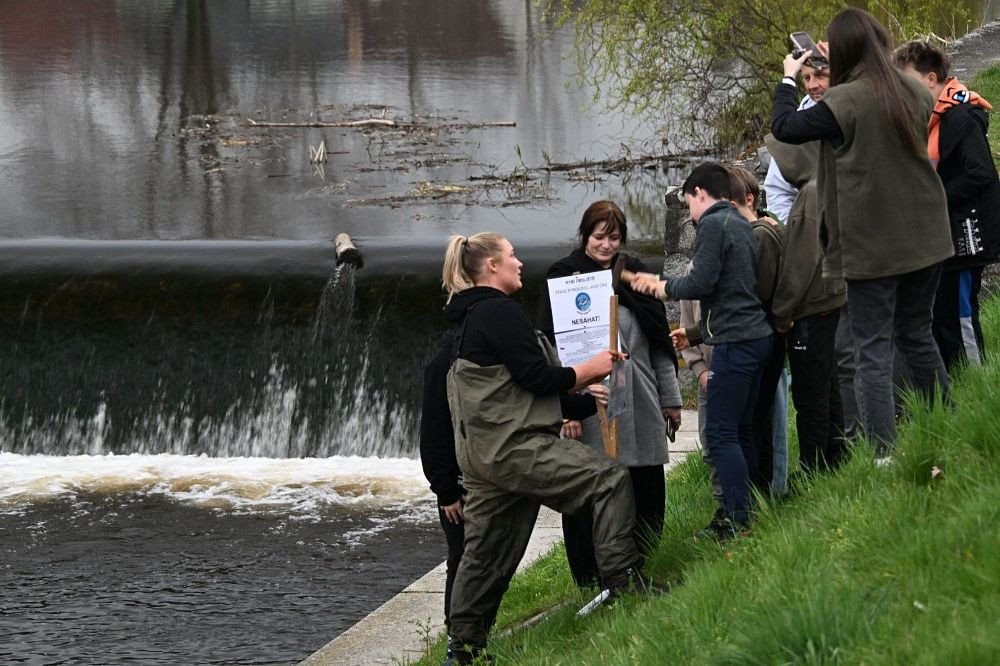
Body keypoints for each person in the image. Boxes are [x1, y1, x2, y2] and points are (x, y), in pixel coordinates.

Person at [440, 232, 654, 665]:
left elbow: (517, 391)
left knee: (486, 550)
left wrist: (584, 401)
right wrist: (590, 368)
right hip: (517, 449)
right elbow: (538, 378)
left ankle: (462, 649)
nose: (520, 263)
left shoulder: (466, 320)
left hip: (483, 458)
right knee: (609, 480)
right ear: (491, 267)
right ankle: (623, 583)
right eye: (512, 256)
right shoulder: (499, 311)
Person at [771, 8, 953, 455]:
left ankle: (884, 455)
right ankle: (946, 428)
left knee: (871, 349)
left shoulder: (843, 103)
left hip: (873, 247)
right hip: (926, 236)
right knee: (917, 335)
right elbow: (881, 87)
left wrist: (789, 78)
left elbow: (785, 128)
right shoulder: (912, 89)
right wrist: (855, 56)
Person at [536, 200, 683, 587]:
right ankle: (591, 578)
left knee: (646, 485)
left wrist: (670, 399)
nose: (606, 245)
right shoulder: (564, 277)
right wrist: (566, 410)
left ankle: (642, 564)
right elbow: (551, 352)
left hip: (641, 397)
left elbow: (658, 343)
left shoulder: (634, 272)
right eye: (599, 237)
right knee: (592, 488)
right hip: (591, 402)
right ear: (585, 235)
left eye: (613, 237)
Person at [632, 163, 772, 536]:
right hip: (756, 337)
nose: (689, 214)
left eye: (688, 202)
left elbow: (701, 279)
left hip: (733, 340)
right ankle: (749, 511)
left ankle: (737, 521)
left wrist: (660, 286)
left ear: (699, 194)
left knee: (721, 435)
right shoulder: (741, 222)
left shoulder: (712, 222)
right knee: (741, 432)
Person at [894, 40, 1000, 371]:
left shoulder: (960, 117)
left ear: (930, 79)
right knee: (941, 317)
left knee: (962, 317)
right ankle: (952, 385)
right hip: (943, 237)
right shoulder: (933, 119)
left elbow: (979, 174)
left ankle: (976, 385)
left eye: (907, 80)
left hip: (967, 236)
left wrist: (931, 196)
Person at [765, 132, 848, 472]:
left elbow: (800, 261)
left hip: (811, 308)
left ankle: (813, 468)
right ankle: (837, 459)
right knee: (830, 388)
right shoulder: (831, 183)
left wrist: (782, 312)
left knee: (810, 397)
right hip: (833, 299)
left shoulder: (809, 195)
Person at [727, 167, 785, 493]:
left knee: (757, 420)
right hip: (760, 336)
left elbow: (756, 292)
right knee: (754, 419)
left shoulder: (760, 235)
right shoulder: (761, 229)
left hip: (760, 337)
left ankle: (760, 490)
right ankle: (758, 490)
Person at [763, 62, 832, 224]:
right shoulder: (792, 132)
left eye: (820, 76)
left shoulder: (860, 111)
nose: (812, 85)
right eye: (807, 77)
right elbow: (777, 193)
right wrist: (800, 230)